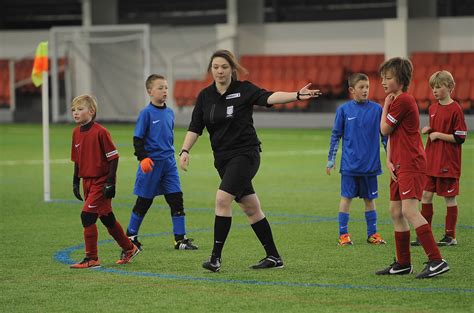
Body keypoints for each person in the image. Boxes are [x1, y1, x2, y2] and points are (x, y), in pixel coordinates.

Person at [179, 49, 322, 272]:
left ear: (232, 69)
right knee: (251, 208)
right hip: (223, 160)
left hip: (246, 155)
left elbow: (268, 97)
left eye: (224, 67)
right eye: (215, 67)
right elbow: (195, 126)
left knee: (222, 200)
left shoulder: (243, 89)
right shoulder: (205, 96)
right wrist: (185, 150)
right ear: (211, 70)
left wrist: (296, 95)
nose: (219, 71)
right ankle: (274, 257)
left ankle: (215, 259)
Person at [376, 57, 449, 279]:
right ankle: (403, 263)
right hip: (398, 164)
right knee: (395, 211)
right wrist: (388, 160)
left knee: (409, 210)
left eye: (388, 78)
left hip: (411, 164)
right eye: (382, 78)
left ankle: (437, 260)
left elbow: (385, 129)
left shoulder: (403, 101)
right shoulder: (399, 100)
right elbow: (391, 138)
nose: (383, 82)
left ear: (401, 79)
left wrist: (385, 105)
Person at [126, 74, 198, 251]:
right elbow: (137, 139)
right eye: (160, 88)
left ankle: (180, 239)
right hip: (151, 165)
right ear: (150, 91)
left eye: (166, 87)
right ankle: (130, 236)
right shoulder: (146, 113)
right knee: (144, 201)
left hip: (169, 164)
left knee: (176, 199)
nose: (165, 91)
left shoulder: (170, 112)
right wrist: (143, 158)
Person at [70, 94, 140, 268]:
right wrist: (75, 181)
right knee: (107, 218)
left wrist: (110, 182)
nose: (75, 113)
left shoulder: (101, 132)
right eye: (73, 110)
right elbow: (77, 160)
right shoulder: (76, 133)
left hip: (101, 182)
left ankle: (92, 259)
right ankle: (129, 248)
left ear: (91, 111)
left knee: (87, 216)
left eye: (80, 109)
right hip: (87, 181)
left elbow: (113, 158)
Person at [326, 73, 387, 246]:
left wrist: (391, 154)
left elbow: (385, 137)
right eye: (361, 87)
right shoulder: (344, 110)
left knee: (370, 200)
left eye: (367, 87)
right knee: (346, 198)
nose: (365, 90)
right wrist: (331, 159)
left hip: (370, 166)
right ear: (352, 90)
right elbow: (335, 135)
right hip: (350, 166)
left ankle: (372, 234)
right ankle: (343, 235)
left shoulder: (377, 110)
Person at [411, 70, 467, 247]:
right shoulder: (432, 108)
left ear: (450, 87)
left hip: (448, 162)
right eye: (432, 88)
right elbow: (435, 131)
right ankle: (424, 236)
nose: (434, 91)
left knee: (449, 198)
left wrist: (438, 135)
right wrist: (429, 129)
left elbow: (460, 137)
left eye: (438, 87)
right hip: (431, 161)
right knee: (426, 196)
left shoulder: (456, 109)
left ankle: (450, 236)